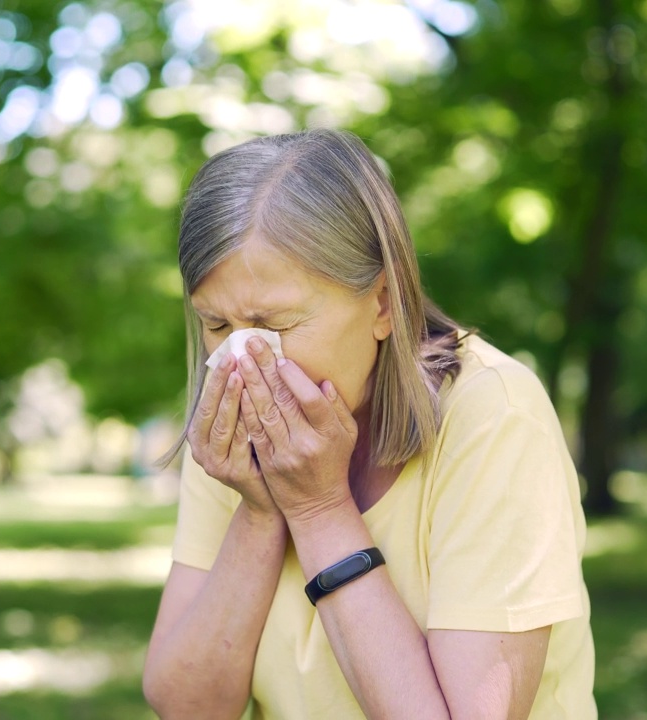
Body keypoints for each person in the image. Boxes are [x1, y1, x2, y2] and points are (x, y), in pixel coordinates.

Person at [142, 129, 595, 719]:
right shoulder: (237, 417)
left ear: (381, 303)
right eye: (217, 324)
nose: (245, 358)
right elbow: (188, 707)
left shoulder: (494, 415)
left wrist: (319, 510)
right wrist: (259, 514)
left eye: (273, 323)